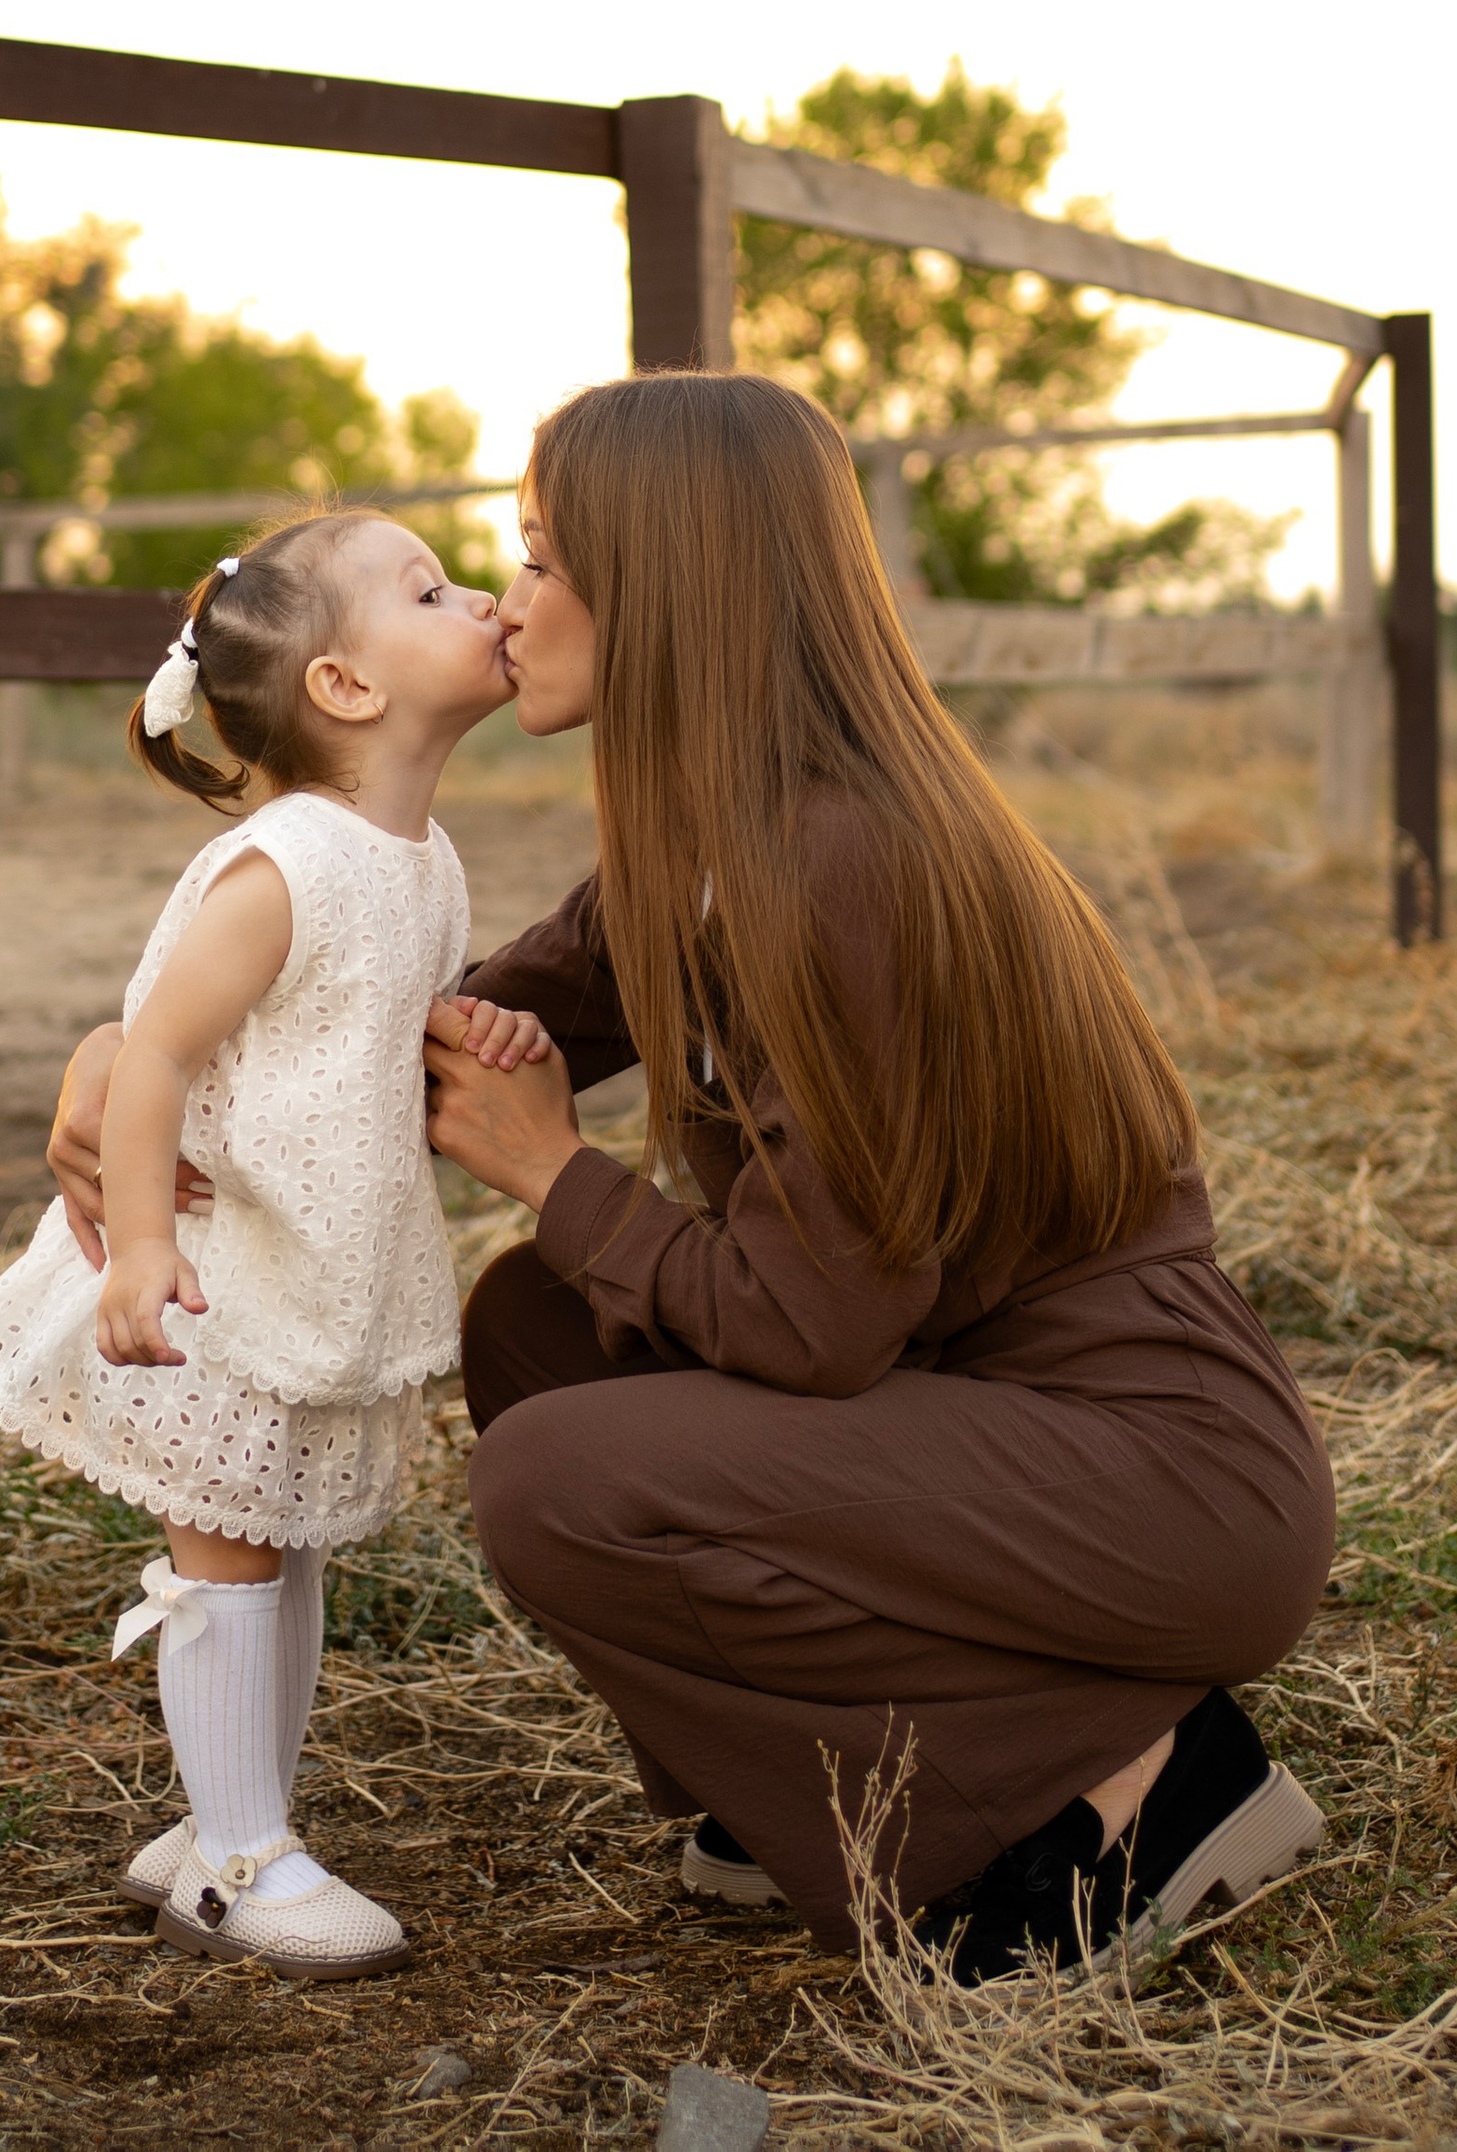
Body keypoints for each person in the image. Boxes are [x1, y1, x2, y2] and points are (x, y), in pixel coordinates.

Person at [419, 371, 1336, 1975]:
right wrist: (146, 1063)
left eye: (544, 562)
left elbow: (819, 1326)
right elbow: (439, 1031)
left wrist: (556, 1166)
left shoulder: (839, 858)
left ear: (671, 588)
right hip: (985, 1436)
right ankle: (836, 1786)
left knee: (555, 1477)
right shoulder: (701, 843)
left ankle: (1143, 1782)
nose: (506, 609)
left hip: (1156, 1480)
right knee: (535, 1332)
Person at [0, 509, 550, 1984]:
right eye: (432, 587)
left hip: (315, 1263)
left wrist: (484, 1023)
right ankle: (232, 1863)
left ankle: (229, 1815)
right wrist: (141, 1247)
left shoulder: (415, 855)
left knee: (278, 1551)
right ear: (346, 687)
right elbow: (150, 1055)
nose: (482, 593)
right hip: (217, 1270)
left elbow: (365, 1026)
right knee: (226, 1558)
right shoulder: (284, 864)